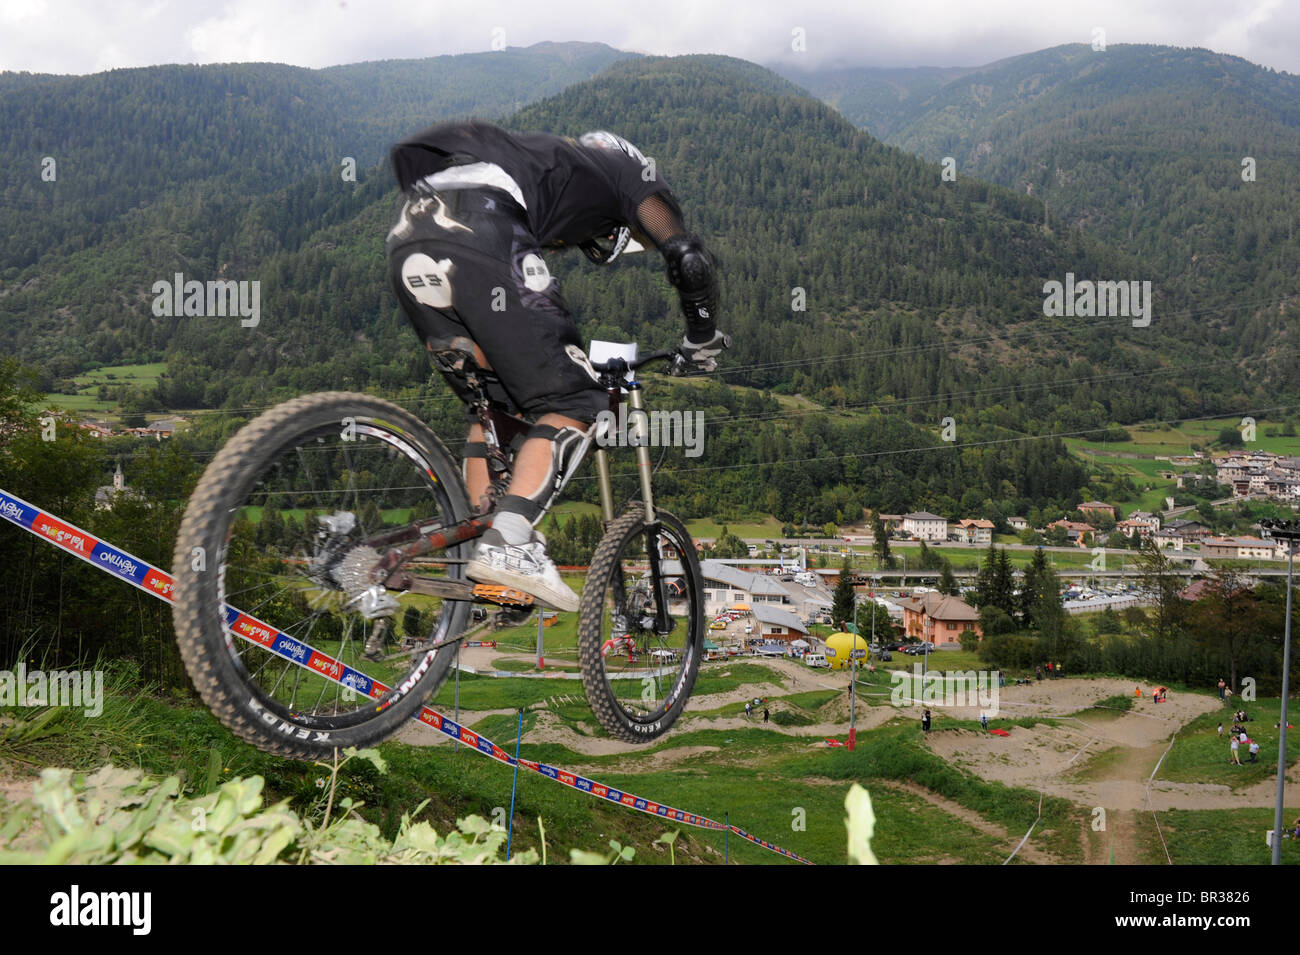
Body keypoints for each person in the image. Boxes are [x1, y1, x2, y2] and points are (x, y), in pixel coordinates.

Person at [385, 121, 728, 611]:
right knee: (576, 400)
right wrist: (702, 336)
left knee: (496, 406)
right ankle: (509, 543)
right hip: (481, 223)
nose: (605, 244)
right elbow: (688, 257)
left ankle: (484, 547)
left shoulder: (555, 166)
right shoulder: (633, 175)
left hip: (409, 233)